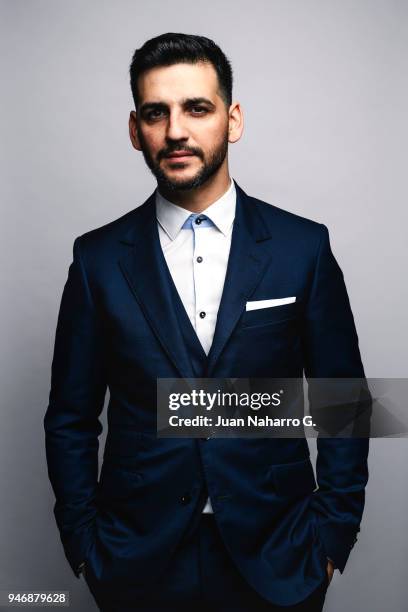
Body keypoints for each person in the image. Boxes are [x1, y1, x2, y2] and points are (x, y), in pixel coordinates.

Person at [44, 33, 369, 611]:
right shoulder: (96, 261)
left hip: (280, 553)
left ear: (232, 119)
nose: (175, 130)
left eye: (197, 108)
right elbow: (70, 418)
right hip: (137, 560)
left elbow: (343, 401)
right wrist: (83, 542)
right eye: (155, 113)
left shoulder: (303, 248)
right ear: (134, 129)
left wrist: (332, 533)